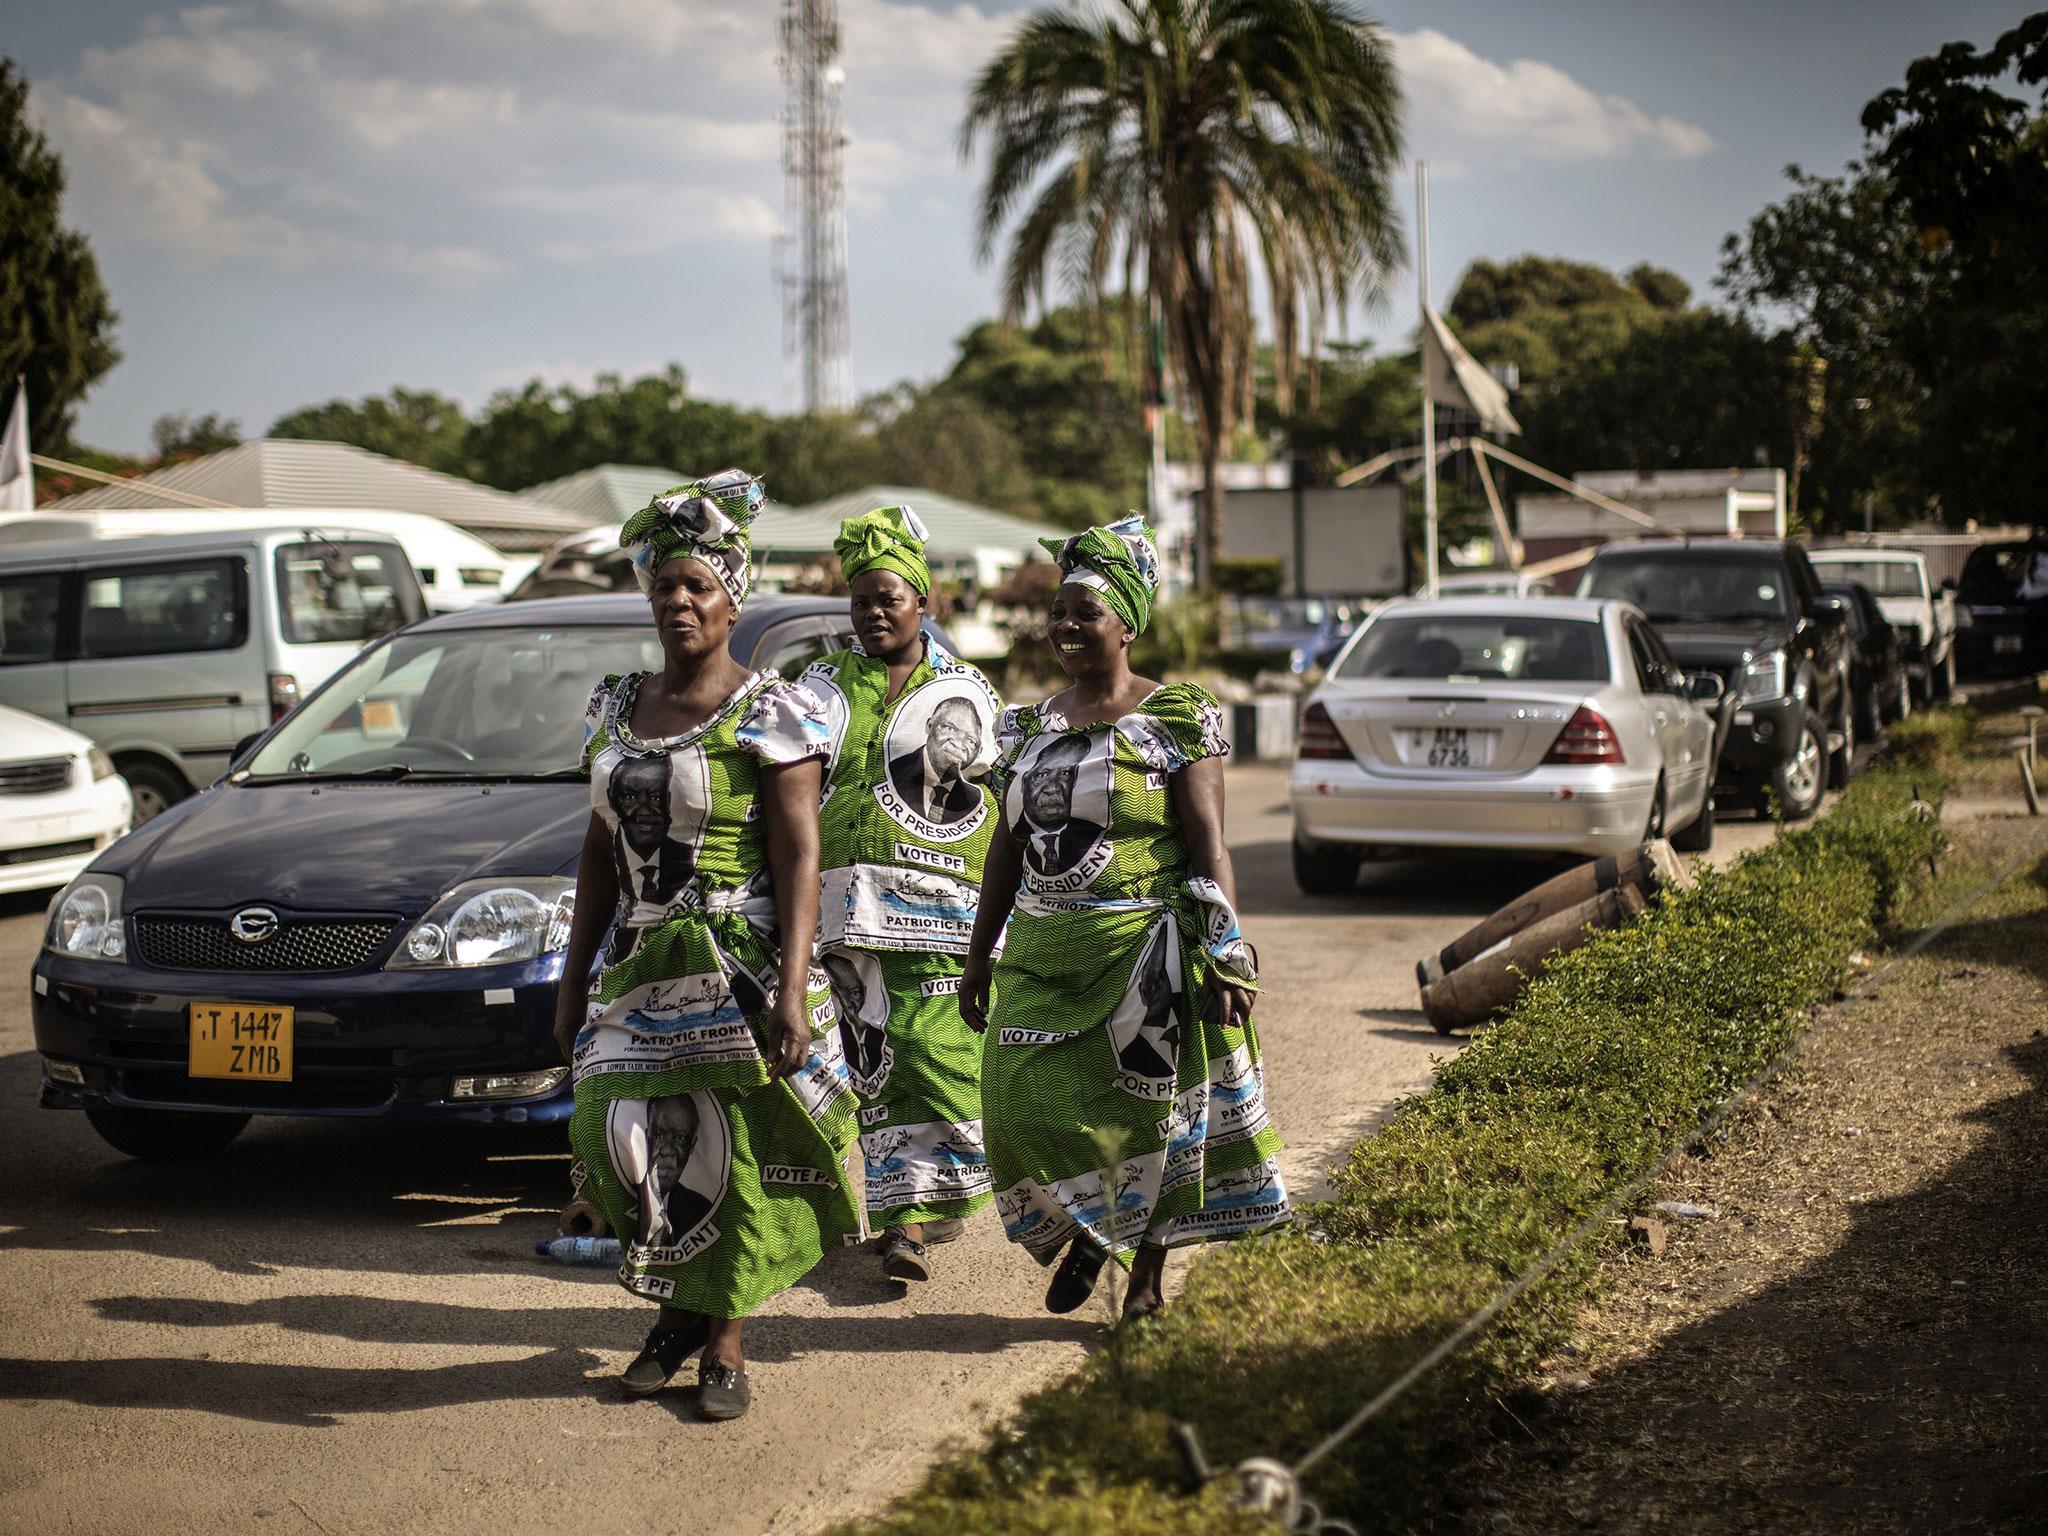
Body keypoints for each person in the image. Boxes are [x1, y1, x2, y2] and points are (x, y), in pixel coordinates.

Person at [552, 469, 857, 1423]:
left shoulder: (775, 712)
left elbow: (800, 856)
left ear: (733, 600)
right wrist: (572, 980)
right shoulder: (615, 705)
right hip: (639, 962)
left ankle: (720, 1334)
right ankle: (683, 1311)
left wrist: (795, 993)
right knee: (618, 1131)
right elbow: (599, 852)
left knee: (733, 1146)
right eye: (664, 588)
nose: (679, 602)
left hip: (738, 961)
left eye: (699, 588)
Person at [960, 514, 1289, 1324]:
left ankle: (1142, 1281)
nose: (1067, 627)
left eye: (1088, 613)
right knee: (1013, 1108)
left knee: (1155, 1116)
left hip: (1150, 952)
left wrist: (1227, 952)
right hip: (1045, 948)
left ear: (1129, 624)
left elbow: (1210, 846)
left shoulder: (1173, 719)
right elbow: (1006, 845)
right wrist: (979, 953)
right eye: (1060, 612)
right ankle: (1094, 1231)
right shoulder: (1028, 727)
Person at [797, 504, 1002, 1283]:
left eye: (890, 597)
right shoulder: (819, 686)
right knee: (856, 1069)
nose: (875, 611)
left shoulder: (966, 689)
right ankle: (892, 1223)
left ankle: (916, 1215)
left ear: (925, 603)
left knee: (932, 1058)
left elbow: (991, 806)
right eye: (861, 600)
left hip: (939, 918)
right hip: (836, 915)